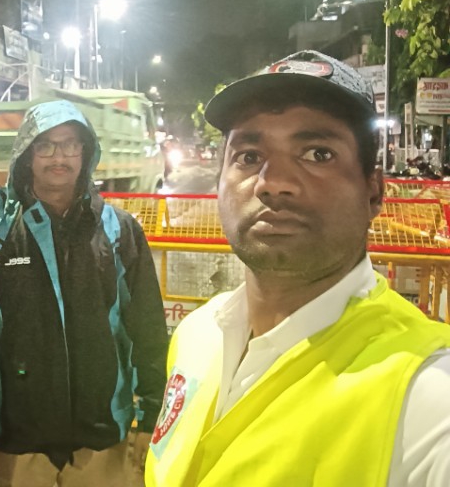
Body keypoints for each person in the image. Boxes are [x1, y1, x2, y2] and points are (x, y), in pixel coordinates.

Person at [145, 50, 450, 486]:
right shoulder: (197, 335)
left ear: (373, 193)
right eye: (248, 156)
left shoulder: (425, 396)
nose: (273, 183)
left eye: (318, 154)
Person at [0, 99, 168, 486]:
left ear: (85, 152)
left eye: (70, 144)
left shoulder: (120, 230)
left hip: (102, 435)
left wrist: (152, 415)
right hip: (15, 438)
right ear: (27, 155)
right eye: (45, 145)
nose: (59, 156)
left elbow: (147, 328)